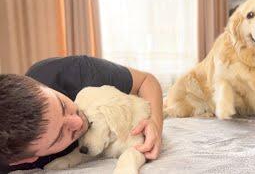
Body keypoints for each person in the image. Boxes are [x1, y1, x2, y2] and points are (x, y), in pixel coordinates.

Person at [0, 55, 163, 172]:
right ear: (26, 160)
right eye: (60, 134)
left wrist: (155, 123)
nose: (79, 122)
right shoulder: (12, 157)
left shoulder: (74, 72)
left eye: (63, 105)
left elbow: (146, 81)